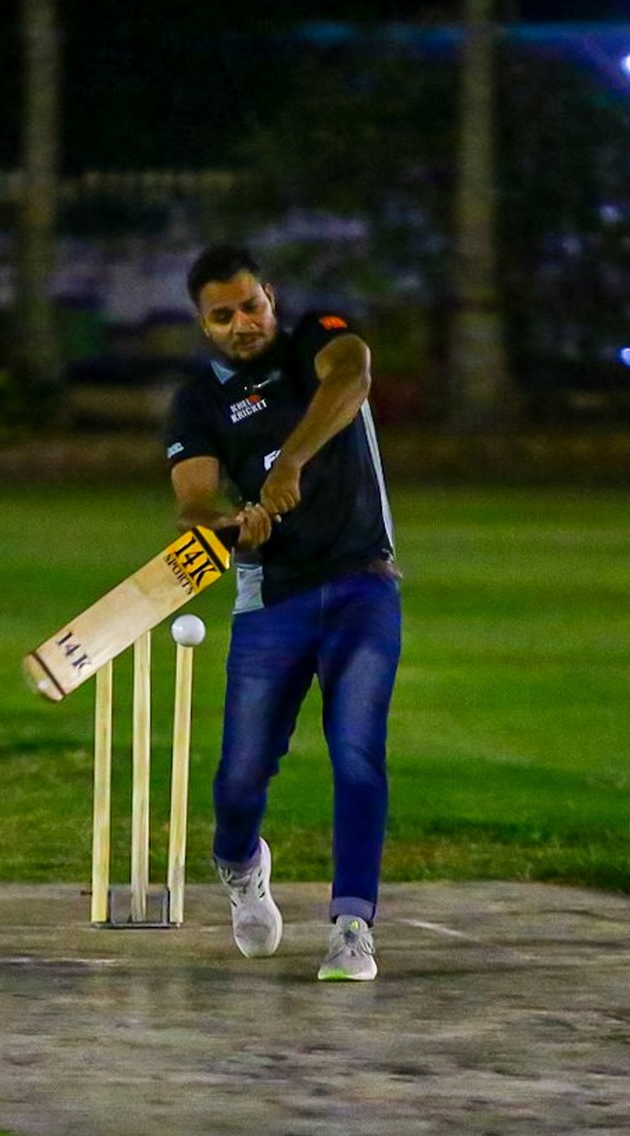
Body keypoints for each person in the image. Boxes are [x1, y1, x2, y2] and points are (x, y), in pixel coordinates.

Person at [164, 243, 402, 981]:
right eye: (223, 316)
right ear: (203, 325)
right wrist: (235, 521)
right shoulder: (199, 399)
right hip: (272, 596)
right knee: (239, 778)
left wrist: (292, 461)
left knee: (357, 752)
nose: (242, 324)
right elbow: (193, 502)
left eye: (251, 305)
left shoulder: (316, 341)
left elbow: (353, 377)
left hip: (363, 582)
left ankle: (352, 926)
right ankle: (241, 866)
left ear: (271, 296)